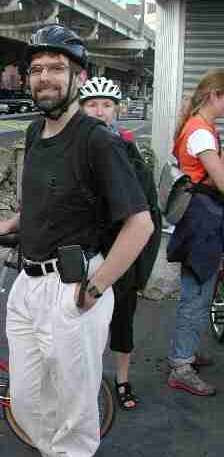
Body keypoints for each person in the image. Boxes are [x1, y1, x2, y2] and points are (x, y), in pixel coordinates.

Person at [0, 24, 154, 457]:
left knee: (75, 392)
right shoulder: (36, 131)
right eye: (37, 69)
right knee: (31, 396)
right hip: (28, 283)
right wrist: (12, 224)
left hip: (73, 286)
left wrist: (94, 289)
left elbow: (139, 224)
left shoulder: (98, 141)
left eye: (57, 68)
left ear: (79, 75)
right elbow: (43, 198)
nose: (45, 77)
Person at [79, 76, 140, 410]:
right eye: (92, 104)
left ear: (116, 110)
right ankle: (87, 380)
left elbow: (146, 211)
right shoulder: (75, 148)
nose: (99, 111)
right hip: (86, 249)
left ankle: (122, 379)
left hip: (120, 248)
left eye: (106, 105)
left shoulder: (127, 148)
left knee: (122, 316)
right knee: (81, 316)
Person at [167, 69, 224, 396]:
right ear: (215, 95)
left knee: (198, 292)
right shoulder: (201, 132)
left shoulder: (198, 126)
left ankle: (184, 352)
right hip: (202, 223)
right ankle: (181, 365)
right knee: (196, 295)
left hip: (197, 220)